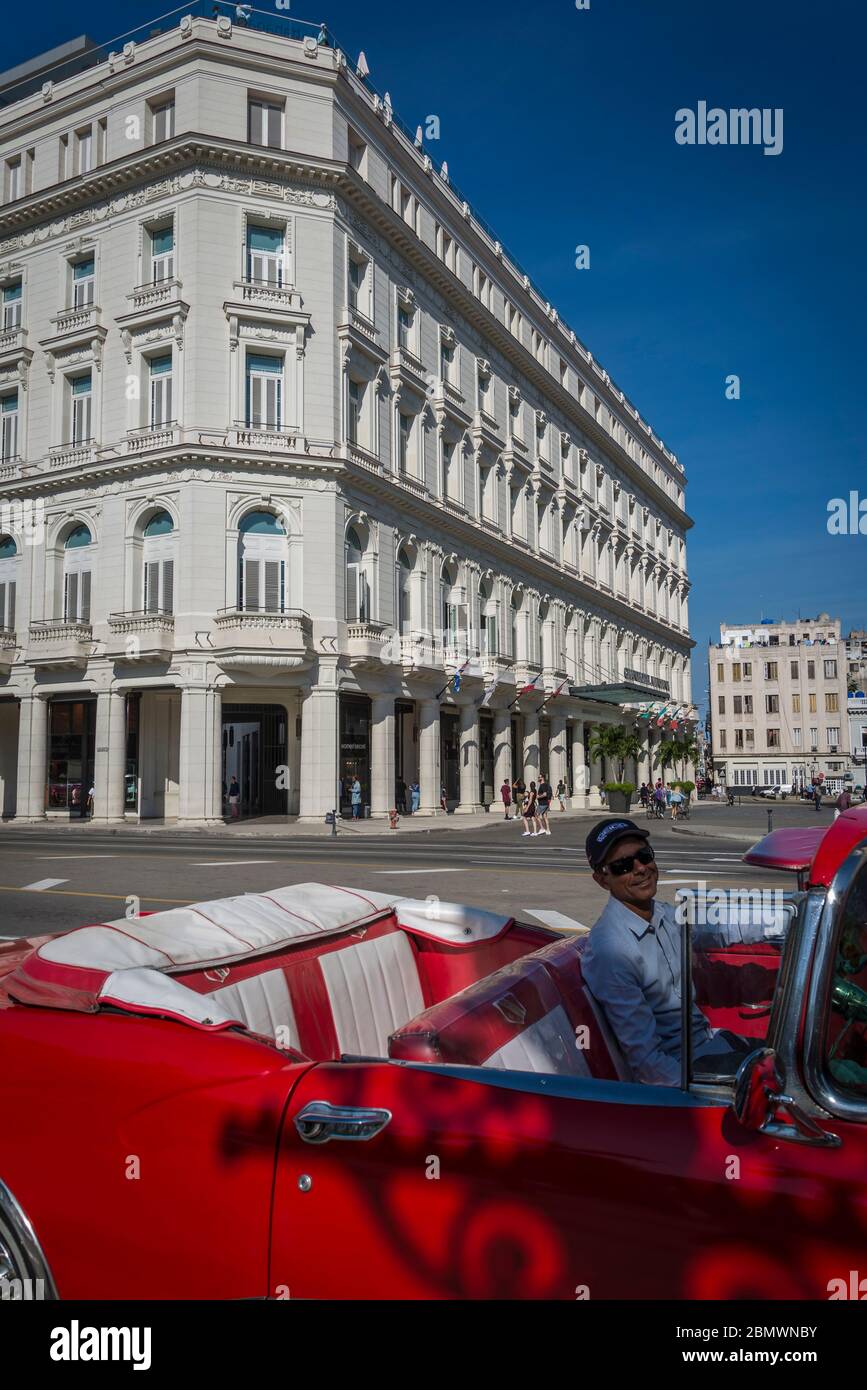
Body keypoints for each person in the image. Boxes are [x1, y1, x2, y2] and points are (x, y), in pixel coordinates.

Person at [581, 818, 754, 1086]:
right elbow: (649, 1065)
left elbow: (723, 927)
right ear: (602, 879)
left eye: (644, 856)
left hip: (711, 1042)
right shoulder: (611, 950)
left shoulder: (664, 914)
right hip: (689, 1069)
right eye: (623, 866)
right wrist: (703, 1093)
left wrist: (792, 921)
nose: (640, 869)